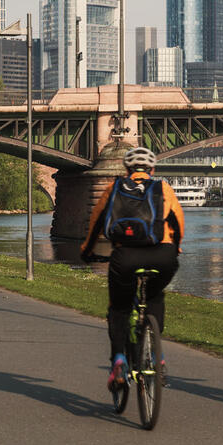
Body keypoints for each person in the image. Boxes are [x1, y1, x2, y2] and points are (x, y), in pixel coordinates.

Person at [81, 146, 185, 390]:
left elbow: (97, 222)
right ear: (152, 169)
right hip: (162, 255)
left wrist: (87, 251)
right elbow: (178, 223)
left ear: (127, 169)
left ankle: (119, 359)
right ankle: (157, 356)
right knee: (155, 296)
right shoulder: (163, 189)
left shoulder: (114, 188)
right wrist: (175, 248)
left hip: (125, 257)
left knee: (119, 308)